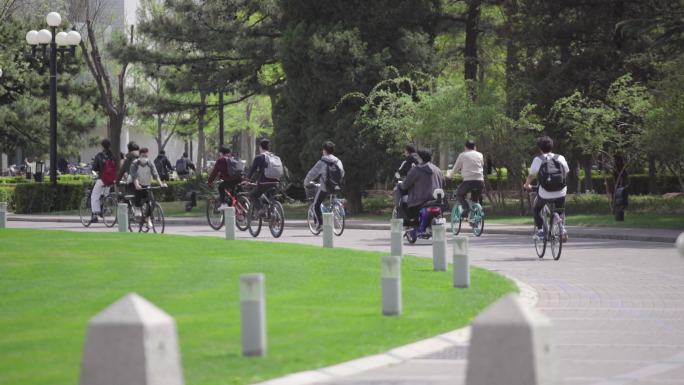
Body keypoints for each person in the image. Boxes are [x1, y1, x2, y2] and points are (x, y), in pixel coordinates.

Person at [523, 136, 569, 239]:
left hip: (545, 192)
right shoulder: (560, 157)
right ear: (552, 146)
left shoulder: (538, 159)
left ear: (540, 148)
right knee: (560, 209)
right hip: (561, 191)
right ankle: (562, 228)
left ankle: (541, 231)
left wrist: (526, 185)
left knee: (536, 208)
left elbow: (531, 175)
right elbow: (566, 171)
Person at [304, 141, 345, 231]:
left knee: (316, 204)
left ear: (324, 150)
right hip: (337, 186)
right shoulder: (338, 161)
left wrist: (306, 182)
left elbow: (312, 173)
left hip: (325, 187)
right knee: (332, 199)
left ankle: (320, 224)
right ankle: (335, 210)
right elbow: (342, 173)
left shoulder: (322, 162)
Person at [399, 149, 445, 224]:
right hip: (437, 201)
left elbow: (404, 186)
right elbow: (443, 184)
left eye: (417, 157)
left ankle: (409, 221)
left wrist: (400, 184)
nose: (416, 159)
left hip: (419, 202)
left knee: (403, 199)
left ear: (420, 158)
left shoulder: (416, 170)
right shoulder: (438, 170)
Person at [448, 139, 485, 219]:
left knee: (459, 194)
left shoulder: (463, 155)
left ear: (465, 147)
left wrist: (450, 176)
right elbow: (481, 165)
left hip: (468, 181)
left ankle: (466, 208)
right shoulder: (480, 155)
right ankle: (474, 218)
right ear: (475, 147)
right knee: (474, 200)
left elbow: (455, 168)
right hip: (480, 181)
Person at [246, 139, 283, 216]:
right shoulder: (275, 157)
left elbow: (252, 170)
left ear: (260, 147)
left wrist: (247, 180)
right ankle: (271, 214)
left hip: (264, 182)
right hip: (276, 182)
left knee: (252, 195)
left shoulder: (259, 157)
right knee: (268, 198)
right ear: (269, 148)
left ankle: (261, 209)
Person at [129, 148, 167, 219]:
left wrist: (161, 184)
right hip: (137, 184)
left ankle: (147, 218)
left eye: (146, 156)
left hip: (147, 184)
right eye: (143, 156)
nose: (144, 158)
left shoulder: (150, 163)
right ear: (139, 156)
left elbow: (155, 174)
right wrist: (137, 185)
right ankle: (137, 209)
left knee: (152, 202)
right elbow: (134, 177)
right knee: (138, 196)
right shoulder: (134, 164)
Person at [90, 139, 116, 222]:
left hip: (102, 179)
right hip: (111, 180)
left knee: (94, 196)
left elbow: (94, 168)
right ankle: (104, 208)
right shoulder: (112, 156)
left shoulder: (99, 156)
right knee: (105, 195)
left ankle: (95, 214)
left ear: (102, 146)